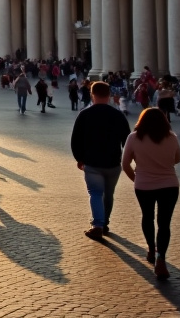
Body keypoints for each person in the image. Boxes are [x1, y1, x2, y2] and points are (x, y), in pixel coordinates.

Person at [123, 108, 180, 280]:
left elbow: (125, 164)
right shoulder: (172, 137)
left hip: (143, 185)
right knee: (164, 223)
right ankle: (160, 257)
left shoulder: (134, 138)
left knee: (147, 217)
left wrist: (136, 179)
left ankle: (150, 249)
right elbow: (177, 159)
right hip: (169, 185)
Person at [71, 81, 132, 241]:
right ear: (109, 95)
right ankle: (105, 223)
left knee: (96, 193)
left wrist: (79, 158)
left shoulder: (85, 114)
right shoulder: (118, 115)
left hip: (92, 162)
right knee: (108, 194)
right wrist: (126, 159)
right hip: (113, 162)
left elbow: (75, 140)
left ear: (92, 94)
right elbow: (127, 140)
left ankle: (97, 224)